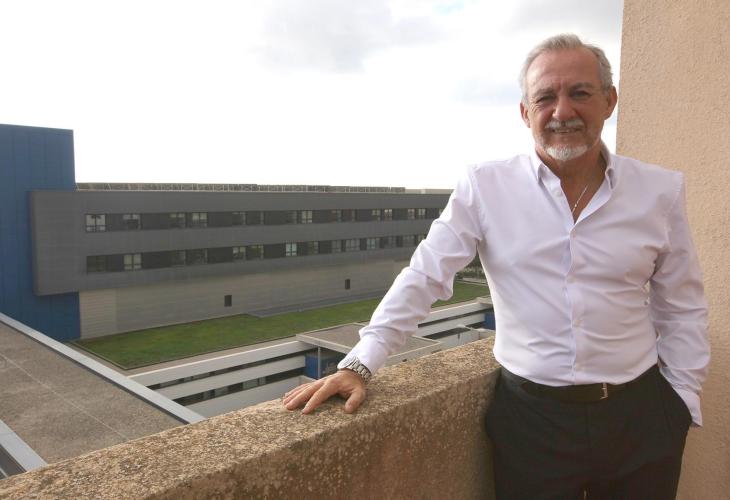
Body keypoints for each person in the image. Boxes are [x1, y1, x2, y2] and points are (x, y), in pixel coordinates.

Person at [283, 33, 709, 499]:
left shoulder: (658, 191)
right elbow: (425, 275)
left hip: (641, 417)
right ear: (526, 113)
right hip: (532, 425)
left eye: (580, 93)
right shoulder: (485, 187)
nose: (562, 111)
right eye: (545, 98)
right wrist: (360, 363)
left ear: (609, 101)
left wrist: (680, 402)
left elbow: (682, 305)